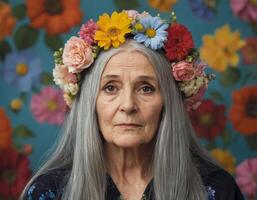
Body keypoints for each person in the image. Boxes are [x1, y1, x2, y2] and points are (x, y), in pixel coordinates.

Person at [20, 10, 244, 200]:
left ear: (169, 102)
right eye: (110, 88)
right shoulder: (48, 191)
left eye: (146, 88)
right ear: (90, 103)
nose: (127, 105)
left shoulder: (216, 190)